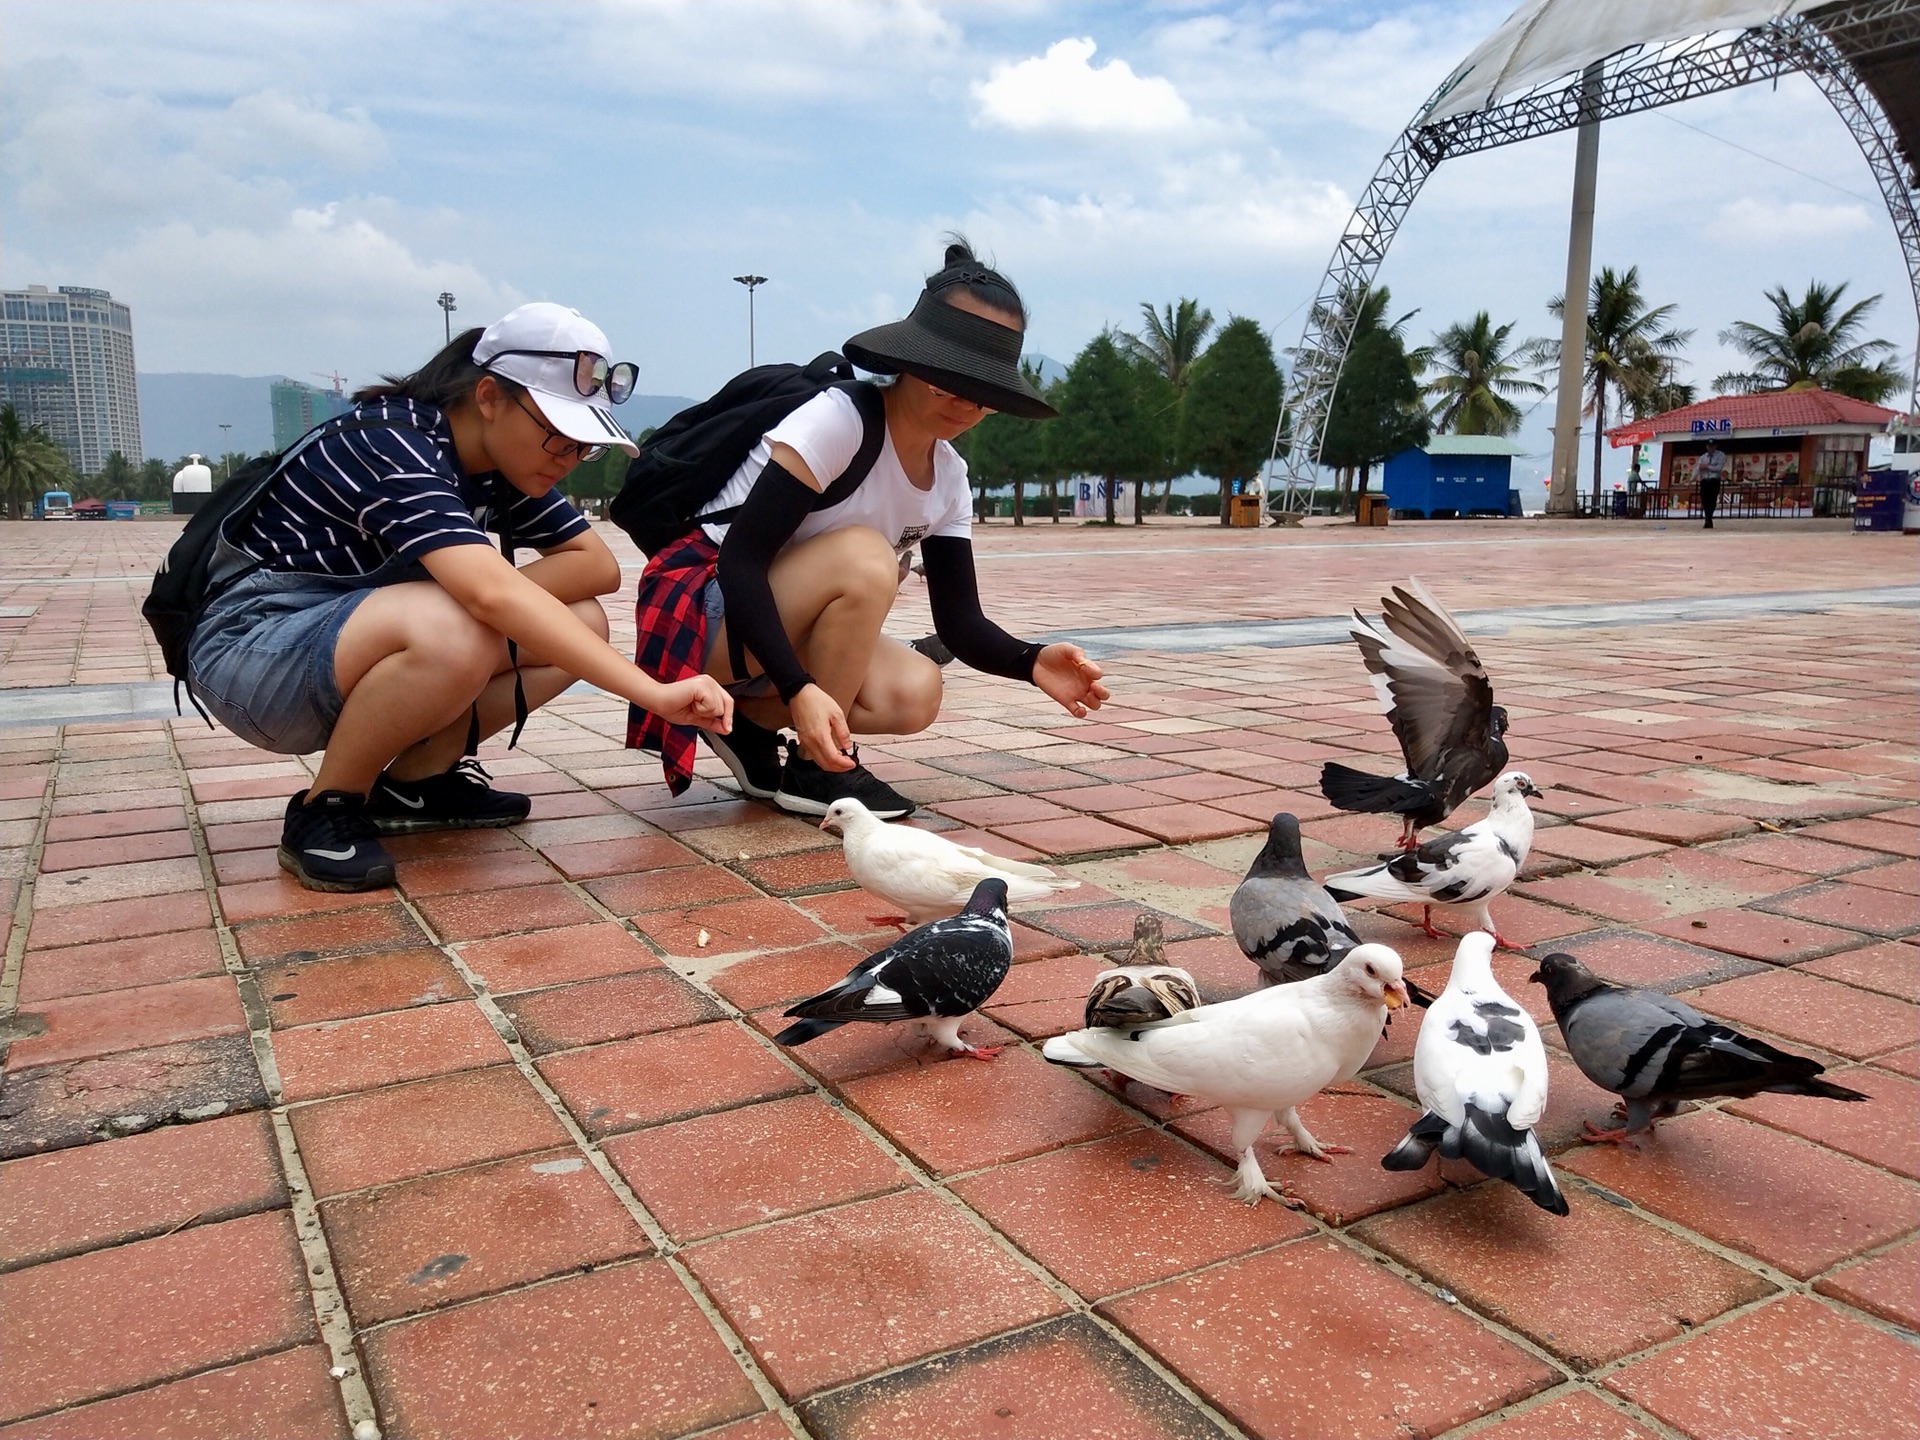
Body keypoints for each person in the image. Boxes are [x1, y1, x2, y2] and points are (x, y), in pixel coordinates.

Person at [188, 303, 732, 892]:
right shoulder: (392, 445)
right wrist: (652, 692)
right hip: (254, 650)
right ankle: (326, 806)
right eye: (557, 436)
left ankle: (417, 782)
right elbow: (489, 596)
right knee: (457, 621)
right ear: (490, 396)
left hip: (340, 643)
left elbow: (595, 568)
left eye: (584, 445)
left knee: (578, 622)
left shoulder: (498, 463)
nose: (569, 459)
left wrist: (480, 598)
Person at [627, 240, 1108, 818]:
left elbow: (960, 621)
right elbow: (742, 563)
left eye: (985, 393)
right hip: (699, 613)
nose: (964, 403)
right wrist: (800, 690)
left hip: (761, 634)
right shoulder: (840, 420)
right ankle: (815, 768)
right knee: (866, 557)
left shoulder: (950, 478)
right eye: (947, 379)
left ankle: (744, 722)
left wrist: (1030, 661)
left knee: (916, 690)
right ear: (910, 361)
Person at [1696, 437, 1727, 529]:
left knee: (1712, 500)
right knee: (1704, 500)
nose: (1710, 448)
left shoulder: (1720, 455)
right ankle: (1707, 518)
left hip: (1714, 480)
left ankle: (1709, 518)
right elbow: (1698, 468)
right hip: (1705, 480)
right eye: (1709, 446)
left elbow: (1718, 468)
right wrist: (1691, 479)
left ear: (1715, 446)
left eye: (1712, 446)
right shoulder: (1703, 457)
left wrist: (1707, 467)